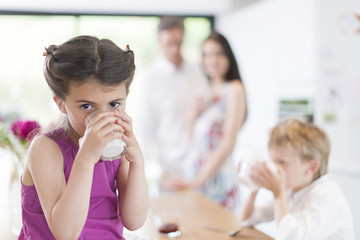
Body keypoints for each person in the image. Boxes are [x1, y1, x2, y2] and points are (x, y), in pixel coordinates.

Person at [18, 36, 148, 240]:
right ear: (61, 104)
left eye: (114, 104)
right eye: (86, 106)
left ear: (126, 96)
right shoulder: (46, 149)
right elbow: (66, 233)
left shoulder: (116, 147)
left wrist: (137, 162)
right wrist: (86, 158)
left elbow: (134, 220)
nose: (102, 117)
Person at [168, 31, 247, 212]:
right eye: (206, 55)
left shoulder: (234, 90)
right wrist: (195, 112)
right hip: (195, 176)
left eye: (218, 53)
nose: (212, 60)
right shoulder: (205, 90)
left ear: (228, 56)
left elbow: (228, 143)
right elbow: (192, 138)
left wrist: (197, 181)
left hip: (217, 180)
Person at [239, 118, 354, 240]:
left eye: (281, 162)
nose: (274, 169)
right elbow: (246, 220)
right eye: (272, 161)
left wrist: (279, 194)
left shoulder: (327, 195)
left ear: (311, 167)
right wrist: (254, 185)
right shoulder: (292, 190)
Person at [137, 16, 209, 190]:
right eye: (169, 44)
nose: (175, 49)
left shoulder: (197, 72)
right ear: (159, 43)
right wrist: (158, 171)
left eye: (178, 42)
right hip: (168, 168)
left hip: (200, 162)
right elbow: (145, 130)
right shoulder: (150, 79)